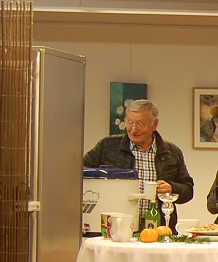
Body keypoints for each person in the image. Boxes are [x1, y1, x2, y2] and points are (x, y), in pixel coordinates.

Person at [83, 98, 194, 229]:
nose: (133, 129)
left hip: (159, 226)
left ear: (154, 124)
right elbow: (80, 172)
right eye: (129, 123)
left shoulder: (171, 152)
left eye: (140, 124)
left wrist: (172, 188)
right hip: (117, 225)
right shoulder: (107, 146)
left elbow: (188, 189)